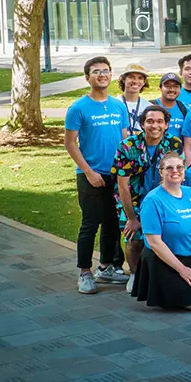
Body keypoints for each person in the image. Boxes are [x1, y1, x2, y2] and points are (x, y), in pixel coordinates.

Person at [65, 56, 130, 294]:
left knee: (113, 223)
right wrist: (89, 172)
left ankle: (106, 266)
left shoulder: (118, 106)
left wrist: (126, 171)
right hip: (90, 174)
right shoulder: (78, 108)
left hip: (116, 175)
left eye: (106, 71)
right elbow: (71, 144)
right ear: (87, 78)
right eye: (96, 71)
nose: (102, 75)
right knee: (90, 223)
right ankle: (84, 272)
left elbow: (124, 141)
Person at [130, 153, 191, 310]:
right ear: (161, 172)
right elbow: (154, 242)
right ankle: (165, 294)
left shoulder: (190, 193)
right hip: (164, 259)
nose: (175, 171)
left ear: (184, 170)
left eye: (179, 167)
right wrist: (181, 270)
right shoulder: (152, 200)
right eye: (169, 168)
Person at [113, 104, 182, 292]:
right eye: (150, 121)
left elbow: (177, 175)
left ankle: (161, 273)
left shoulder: (174, 144)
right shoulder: (127, 146)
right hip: (132, 199)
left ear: (167, 125)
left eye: (160, 121)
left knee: (164, 236)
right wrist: (132, 218)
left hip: (162, 197)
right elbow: (122, 185)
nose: (155, 125)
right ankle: (135, 274)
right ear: (142, 124)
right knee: (134, 239)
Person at [116, 63, 151, 137]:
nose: (135, 81)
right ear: (123, 79)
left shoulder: (149, 107)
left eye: (140, 78)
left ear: (144, 82)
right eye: (131, 77)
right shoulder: (114, 104)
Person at [151, 72, 188, 140]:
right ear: (160, 88)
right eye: (167, 86)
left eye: (175, 86)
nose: (171, 89)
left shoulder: (183, 108)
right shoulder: (151, 106)